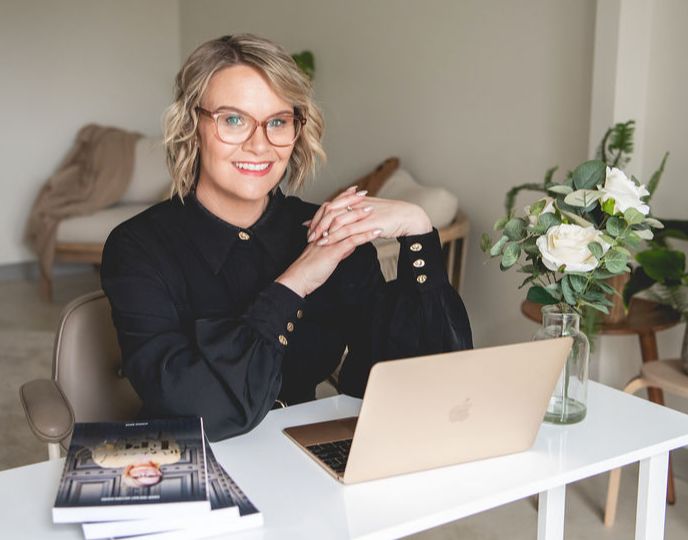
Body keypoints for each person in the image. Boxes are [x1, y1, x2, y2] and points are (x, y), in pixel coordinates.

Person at [101, 34, 472, 442]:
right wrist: (296, 282)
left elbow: (418, 385)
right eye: (233, 120)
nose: (259, 145)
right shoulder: (137, 247)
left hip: (302, 451)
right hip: (193, 457)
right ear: (192, 126)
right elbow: (199, 410)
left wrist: (418, 230)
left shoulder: (330, 233)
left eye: (277, 121)